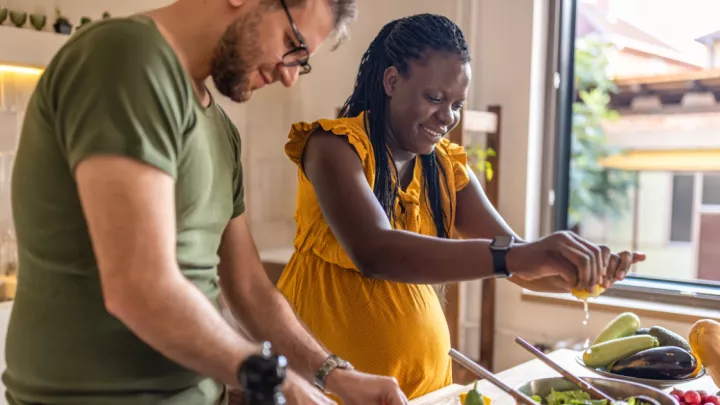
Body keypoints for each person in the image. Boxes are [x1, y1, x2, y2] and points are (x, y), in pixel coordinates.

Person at [3, 0, 409, 404]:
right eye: (292, 42)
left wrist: (334, 375)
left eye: (301, 62)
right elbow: (139, 285)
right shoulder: (125, 57)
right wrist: (277, 380)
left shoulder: (220, 130)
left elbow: (249, 288)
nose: (289, 77)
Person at [277, 13, 646, 400]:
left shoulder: (445, 169)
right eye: (435, 98)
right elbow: (375, 251)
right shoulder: (334, 148)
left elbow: (522, 266)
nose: (448, 117)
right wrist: (521, 255)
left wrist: (582, 271)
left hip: (426, 393)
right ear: (391, 81)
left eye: (457, 103)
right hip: (323, 392)